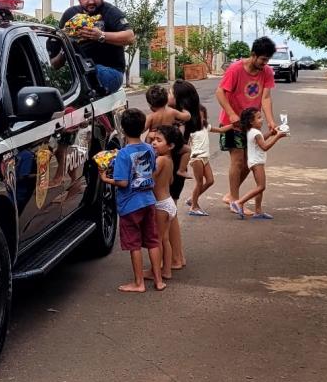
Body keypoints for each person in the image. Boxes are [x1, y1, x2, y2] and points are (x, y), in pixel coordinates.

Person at [99, 108, 166, 293]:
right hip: (148, 201)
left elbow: (122, 182)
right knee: (153, 241)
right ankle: (159, 280)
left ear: (122, 129)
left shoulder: (123, 154)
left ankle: (139, 283)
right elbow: (151, 171)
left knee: (134, 244)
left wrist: (105, 179)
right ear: (143, 127)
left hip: (130, 205)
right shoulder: (149, 148)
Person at [216, 36, 278, 214]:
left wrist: (271, 121)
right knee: (237, 161)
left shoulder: (266, 71)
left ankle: (231, 195)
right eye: (263, 59)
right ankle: (235, 202)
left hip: (250, 125)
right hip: (232, 124)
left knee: (248, 163)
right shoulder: (235, 69)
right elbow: (220, 92)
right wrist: (231, 113)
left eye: (267, 60)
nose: (265, 64)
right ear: (253, 55)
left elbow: (266, 98)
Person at [53, 0, 135, 95]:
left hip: (110, 72)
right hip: (77, 71)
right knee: (71, 74)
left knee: (89, 72)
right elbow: (55, 63)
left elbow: (130, 37)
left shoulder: (110, 11)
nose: (91, 1)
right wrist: (66, 45)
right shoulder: (70, 14)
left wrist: (101, 36)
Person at [231, 107, 288, 219]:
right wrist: (277, 137)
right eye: (259, 118)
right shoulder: (255, 132)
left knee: (259, 187)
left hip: (255, 161)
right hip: (257, 162)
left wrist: (271, 133)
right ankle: (239, 202)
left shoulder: (252, 131)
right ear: (251, 121)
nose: (262, 120)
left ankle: (258, 211)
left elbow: (261, 139)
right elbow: (264, 147)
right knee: (261, 187)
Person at [149, 125, 184, 282]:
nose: (154, 143)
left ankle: (157, 270)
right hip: (169, 203)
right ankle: (167, 270)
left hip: (161, 205)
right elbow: (170, 181)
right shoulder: (170, 161)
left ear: (170, 146)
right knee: (165, 239)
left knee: (157, 240)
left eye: (158, 140)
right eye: (153, 139)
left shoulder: (160, 160)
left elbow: (150, 178)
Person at [186, 105, 232, 216]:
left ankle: (192, 198)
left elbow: (221, 130)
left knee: (210, 180)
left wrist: (233, 125)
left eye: (203, 117)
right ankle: (194, 207)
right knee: (199, 183)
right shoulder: (190, 131)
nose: (201, 119)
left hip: (205, 157)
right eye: (198, 117)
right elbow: (185, 145)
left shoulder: (206, 127)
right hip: (197, 158)